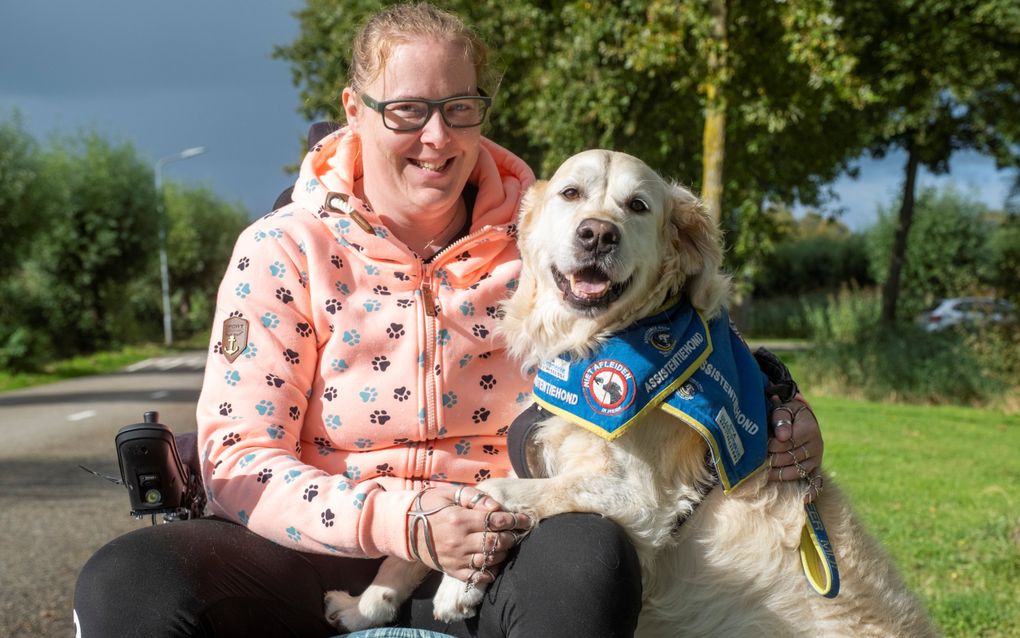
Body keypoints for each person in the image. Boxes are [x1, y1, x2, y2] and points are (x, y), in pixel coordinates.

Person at [73, 4, 824, 637]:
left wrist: (778, 404)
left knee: (591, 555)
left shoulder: (545, 236)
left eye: (459, 109)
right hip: (311, 550)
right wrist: (404, 521)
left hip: (505, 544)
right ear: (354, 110)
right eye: (407, 110)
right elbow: (239, 458)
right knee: (125, 582)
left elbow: (679, 336)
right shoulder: (281, 250)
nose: (436, 138)